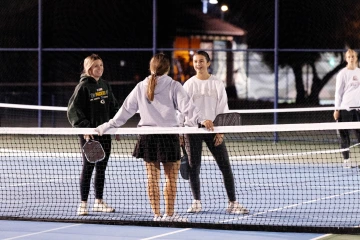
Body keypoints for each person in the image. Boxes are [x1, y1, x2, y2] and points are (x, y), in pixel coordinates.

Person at [95, 53, 214, 222]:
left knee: (151, 179)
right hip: (168, 137)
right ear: (168, 68)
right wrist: (203, 120)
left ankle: (157, 215)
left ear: (151, 68)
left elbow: (125, 111)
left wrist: (108, 125)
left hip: (148, 138)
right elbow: (189, 109)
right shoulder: (173, 85)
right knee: (171, 179)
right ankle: (169, 215)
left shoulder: (141, 86)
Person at [180, 50, 249, 214]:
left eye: (201, 61)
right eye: (196, 61)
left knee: (225, 166)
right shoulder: (188, 84)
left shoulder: (217, 83)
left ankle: (233, 203)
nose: (198, 64)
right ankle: (196, 202)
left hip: (214, 130)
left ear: (208, 63)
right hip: (192, 130)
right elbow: (183, 110)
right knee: (193, 167)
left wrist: (221, 131)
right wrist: (181, 133)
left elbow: (223, 108)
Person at [67, 53, 120, 215]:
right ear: (89, 68)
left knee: (101, 168)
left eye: (101, 65)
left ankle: (99, 201)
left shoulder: (105, 85)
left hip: (105, 133)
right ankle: (83, 203)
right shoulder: (82, 87)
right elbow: (73, 110)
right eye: (96, 66)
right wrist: (85, 129)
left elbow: (113, 106)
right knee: (88, 168)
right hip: (89, 135)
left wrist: (115, 126)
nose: (99, 68)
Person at [333, 48, 360, 168]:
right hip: (345, 109)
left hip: (358, 109)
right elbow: (338, 93)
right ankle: (346, 161)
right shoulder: (342, 73)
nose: (351, 59)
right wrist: (337, 109)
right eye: (349, 57)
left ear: (356, 58)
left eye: (353, 56)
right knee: (345, 136)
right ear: (346, 59)